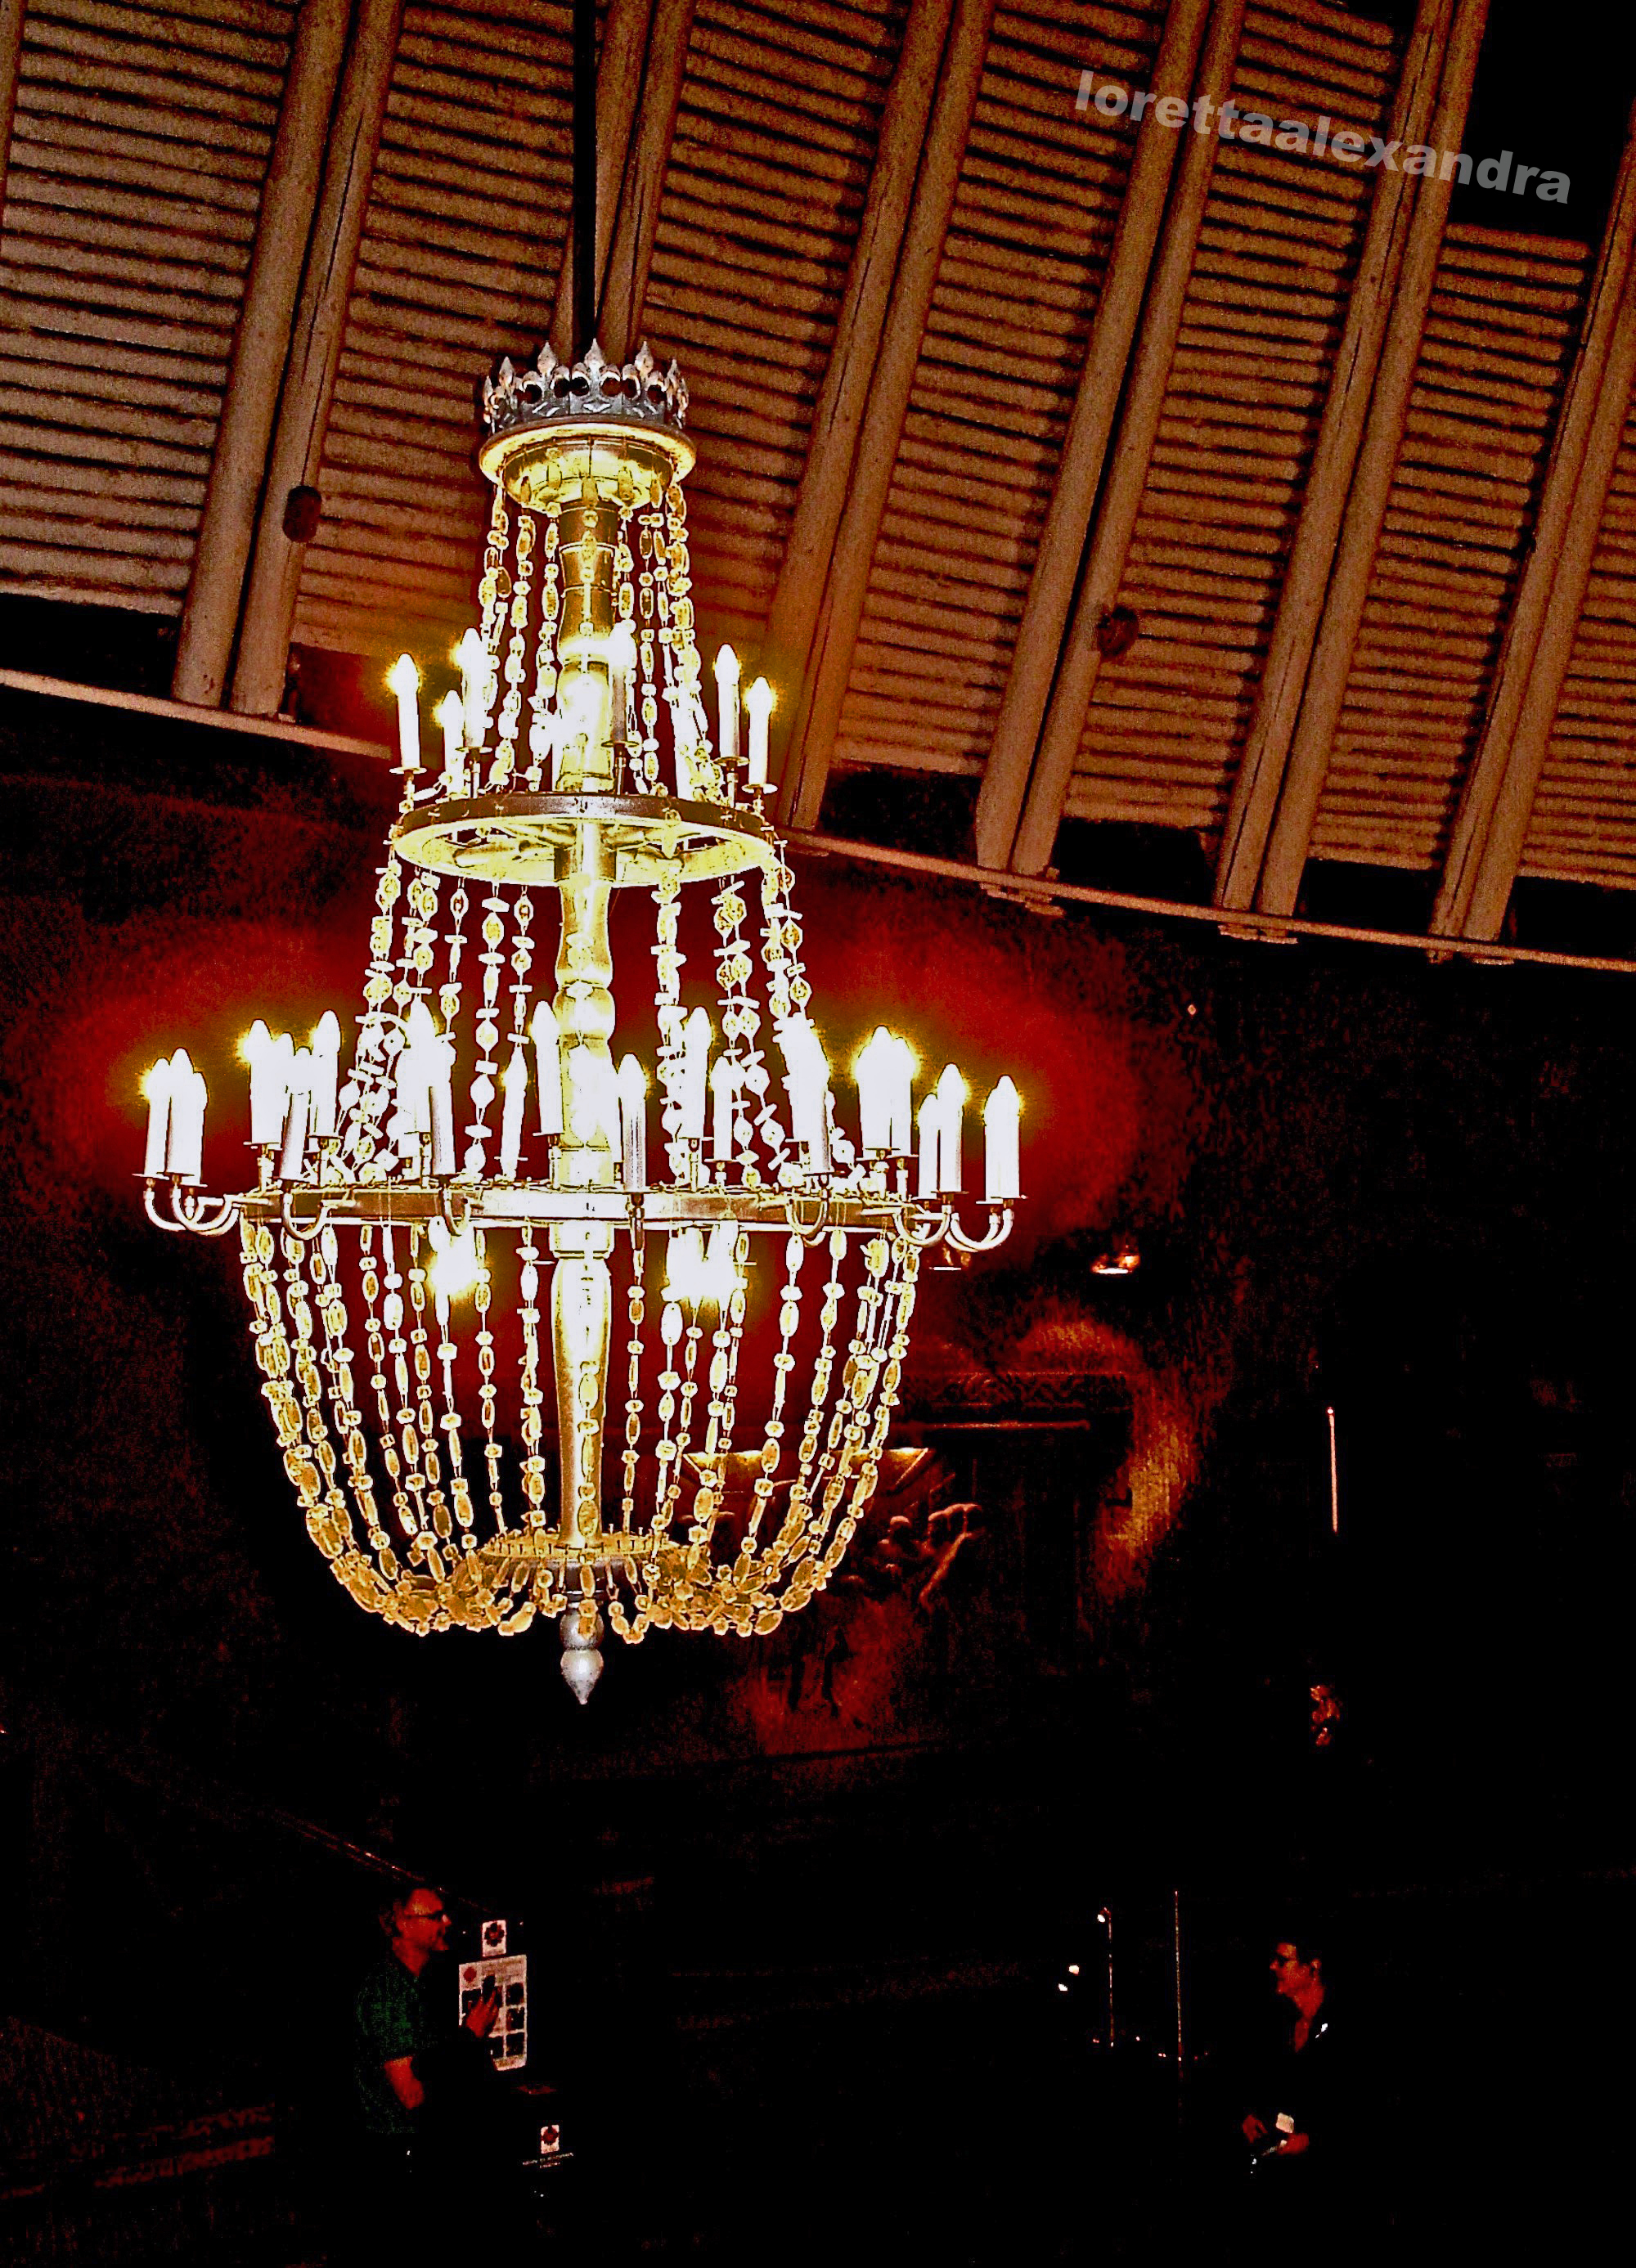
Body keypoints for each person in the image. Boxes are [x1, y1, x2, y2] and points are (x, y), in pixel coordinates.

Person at [347, 1884, 502, 2259]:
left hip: (423, 2151)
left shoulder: (421, 1983)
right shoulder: (388, 1993)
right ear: (402, 1924)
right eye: (434, 1916)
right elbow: (411, 2093)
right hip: (400, 2158)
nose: (446, 1922)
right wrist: (468, 2039)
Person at [1231, 1930, 1357, 2262]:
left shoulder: (1346, 2028)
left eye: (1283, 1960)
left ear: (1312, 1968)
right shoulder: (1281, 2024)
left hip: (1330, 2194)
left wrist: (1314, 2140)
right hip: (1282, 2187)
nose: (1273, 1966)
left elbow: (1361, 2109)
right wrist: (1250, 2116)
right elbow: (1260, 2083)